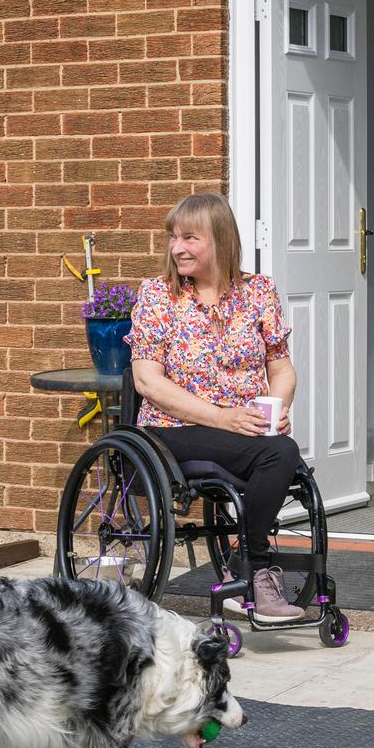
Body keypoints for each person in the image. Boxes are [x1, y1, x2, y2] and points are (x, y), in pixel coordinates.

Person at [126, 191, 305, 621]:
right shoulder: (158, 296)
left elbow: (282, 369)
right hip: (172, 431)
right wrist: (222, 417)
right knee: (280, 453)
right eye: (173, 238)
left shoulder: (258, 292)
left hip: (240, 430)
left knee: (280, 449)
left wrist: (275, 407)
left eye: (190, 238)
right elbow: (147, 380)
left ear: (221, 240)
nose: (177, 248)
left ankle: (245, 563)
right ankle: (253, 570)